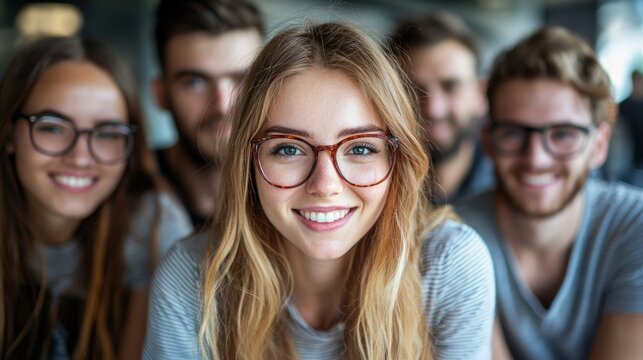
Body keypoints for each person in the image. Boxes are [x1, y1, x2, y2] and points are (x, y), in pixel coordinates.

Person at [144, 22, 495, 359]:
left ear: (397, 160)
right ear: (247, 161)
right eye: (289, 149)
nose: (325, 185)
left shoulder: (449, 266)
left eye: (360, 148)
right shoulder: (192, 278)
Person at [455, 26, 643, 359]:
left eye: (563, 134)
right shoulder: (451, 237)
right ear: (488, 141)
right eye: (514, 133)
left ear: (598, 146)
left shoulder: (635, 225)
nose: (536, 158)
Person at [0, 36, 193, 359]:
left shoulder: (152, 225)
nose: (79, 156)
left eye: (106, 134)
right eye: (52, 127)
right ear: (9, 134)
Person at [151, 0, 264, 228]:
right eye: (195, 82)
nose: (223, 105)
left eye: (242, 79)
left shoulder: (298, 191)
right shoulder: (124, 195)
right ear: (161, 94)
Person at [388, 12, 494, 204]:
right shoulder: (368, 190)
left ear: (481, 94)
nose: (433, 109)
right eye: (413, 90)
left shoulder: (507, 187)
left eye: (451, 87)